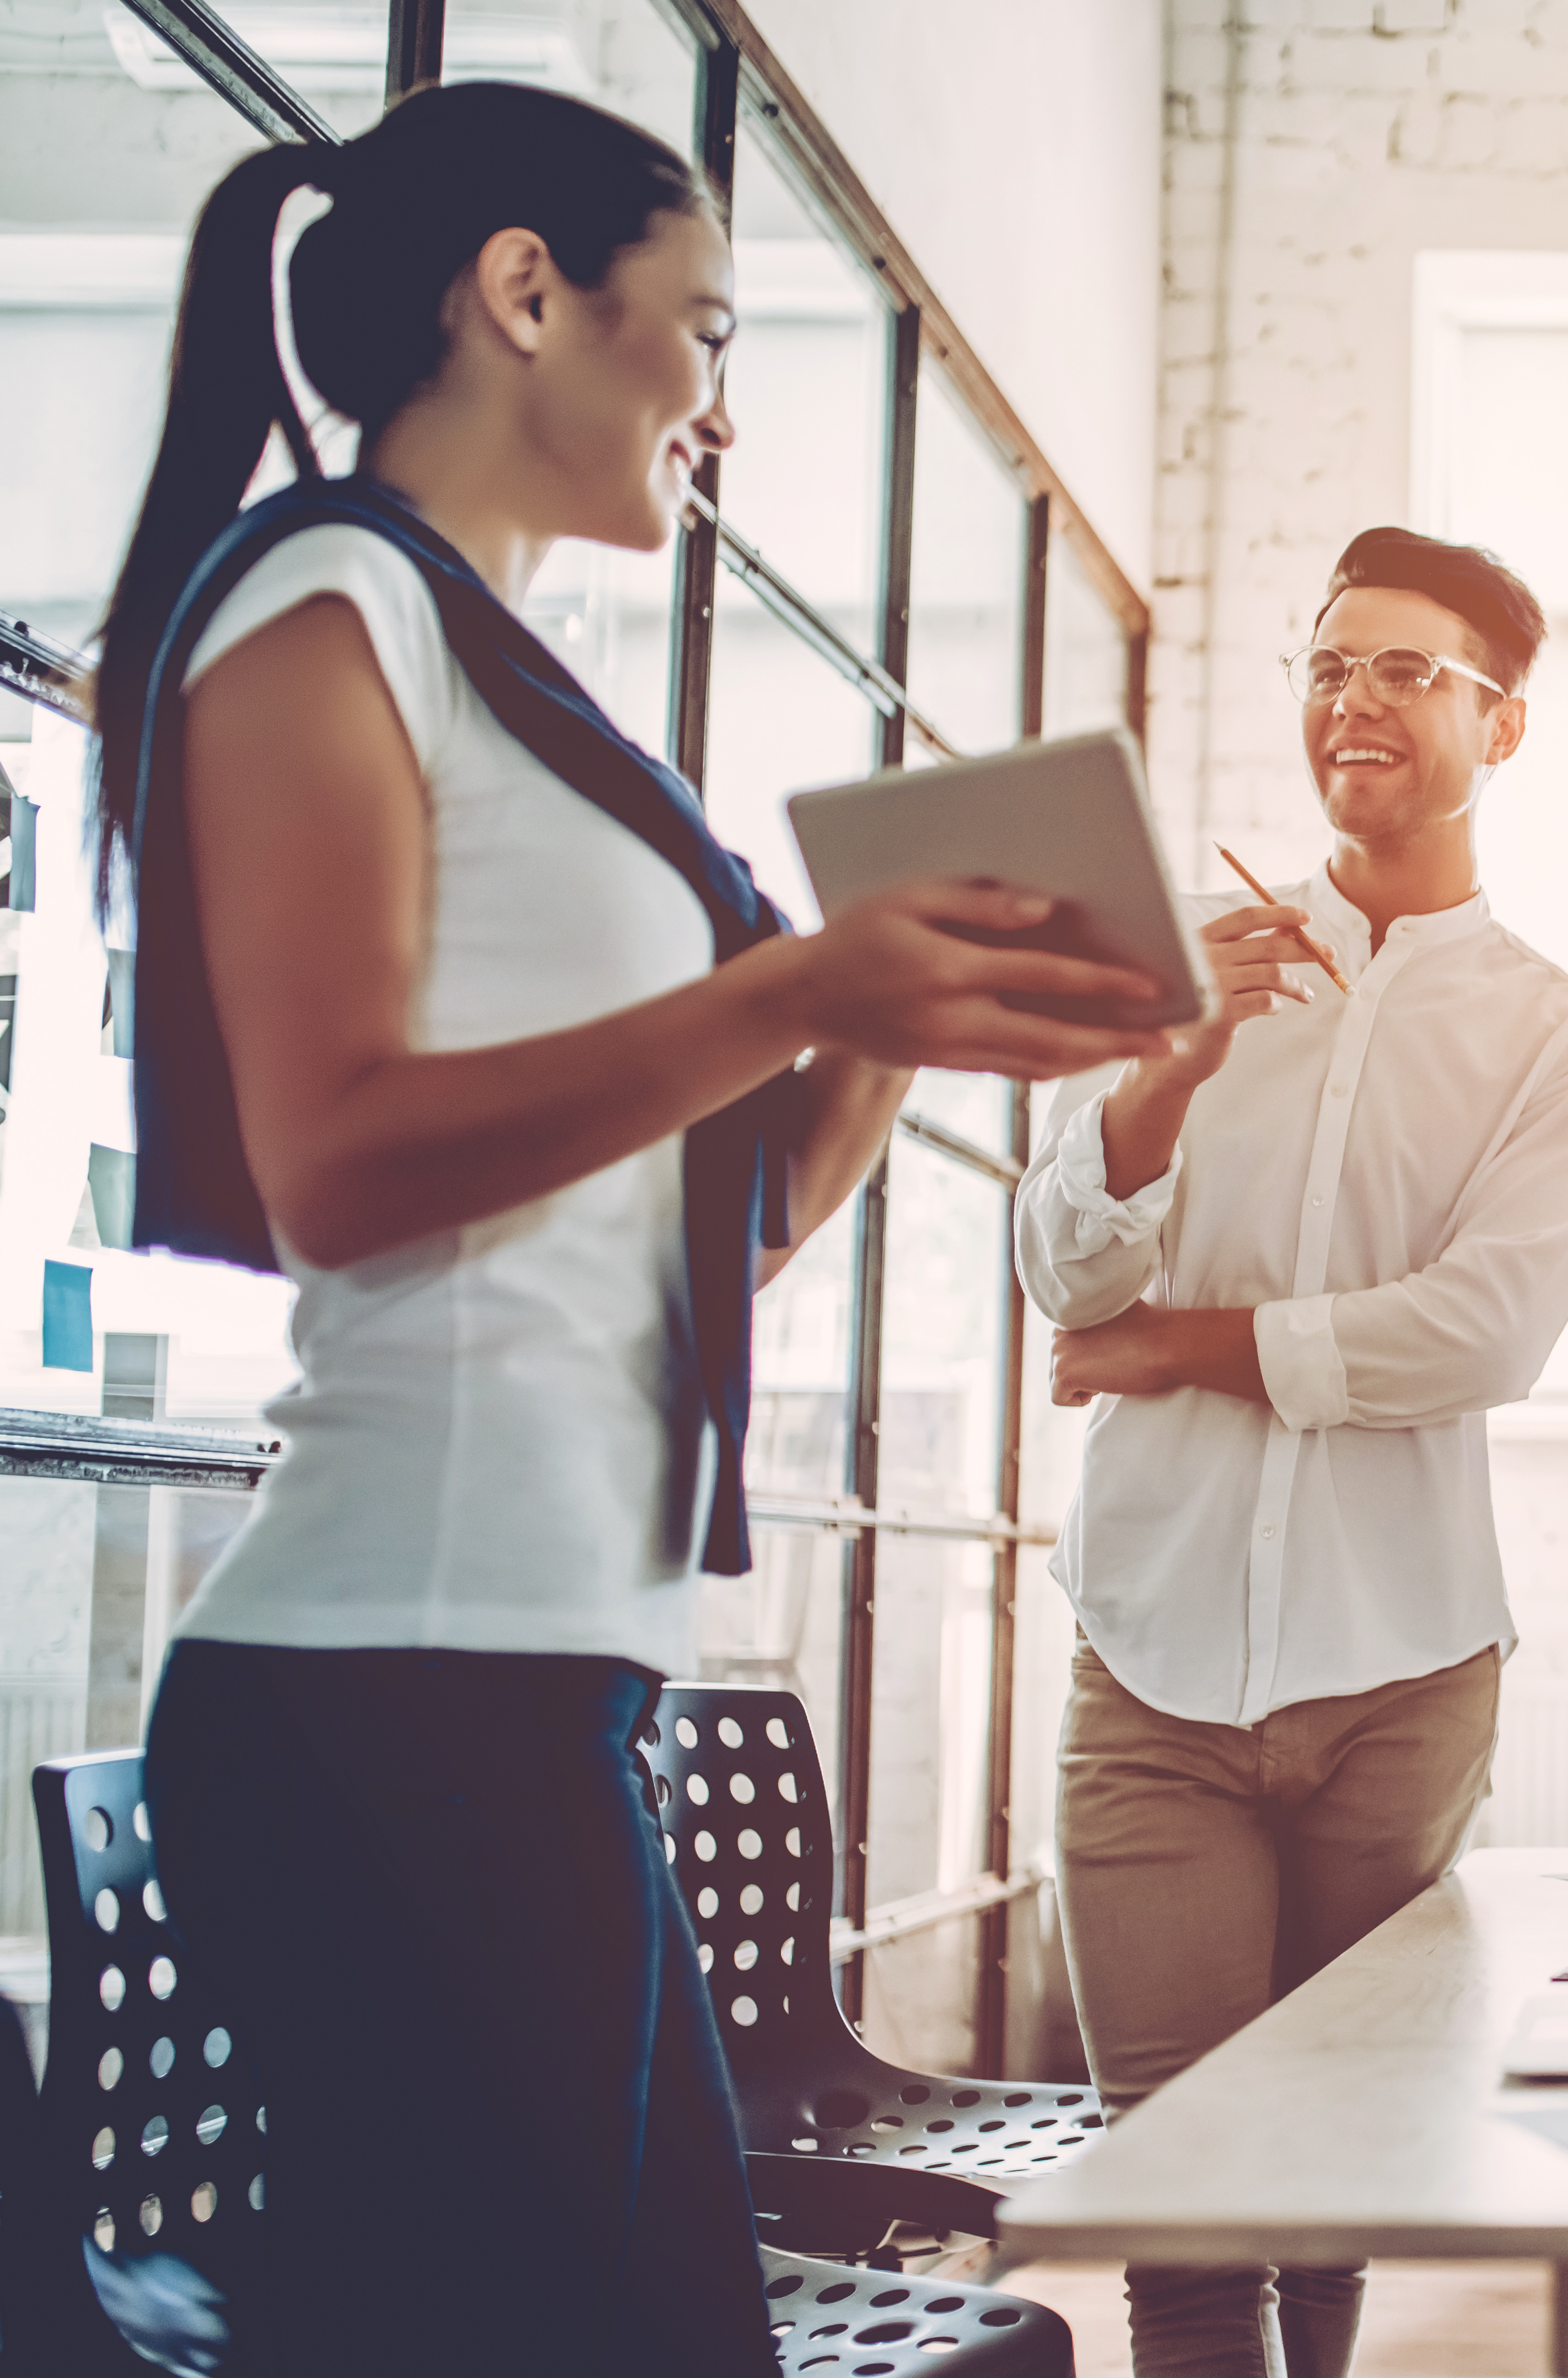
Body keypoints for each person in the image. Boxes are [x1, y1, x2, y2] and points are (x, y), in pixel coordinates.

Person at [95, 85, 1165, 2372]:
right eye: (694, 326)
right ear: (521, 297)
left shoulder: (516, 683)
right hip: (395, 1692)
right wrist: (794, 981)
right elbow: (340, 1166)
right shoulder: (325, 605)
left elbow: (725, 1230)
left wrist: (890, 1017)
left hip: (533, 1682)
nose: (717, 403)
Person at [1017, 527, 1568, 2376]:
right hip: (1153, 1667)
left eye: (1400, 670)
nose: (1348, 701)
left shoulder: (1564, 1038)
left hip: (1401, 1671)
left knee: (1342, 2198)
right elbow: (1062, 1271)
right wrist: (1164, 1069)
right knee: (1192, 2225)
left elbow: (1478, 1336)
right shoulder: (1174, 964)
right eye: (1323, 667)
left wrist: (1175, 1347)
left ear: (1499, 725)